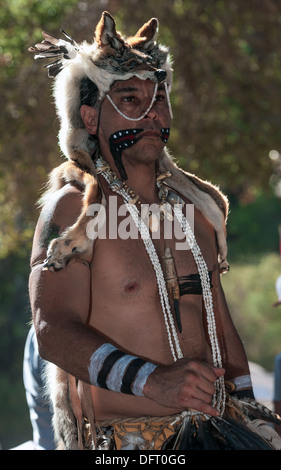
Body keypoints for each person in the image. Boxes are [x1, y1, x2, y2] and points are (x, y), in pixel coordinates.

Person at [28, 11, 281, 450]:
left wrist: (252, 411)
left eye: (158, 97)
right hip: (127, 446)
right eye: (130, 99)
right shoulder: (74, 211)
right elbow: (51, 329)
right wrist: (153, 382)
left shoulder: (193, 211)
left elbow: (219, 324)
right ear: (90, 118)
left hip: (220, 431)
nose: (151, 113)